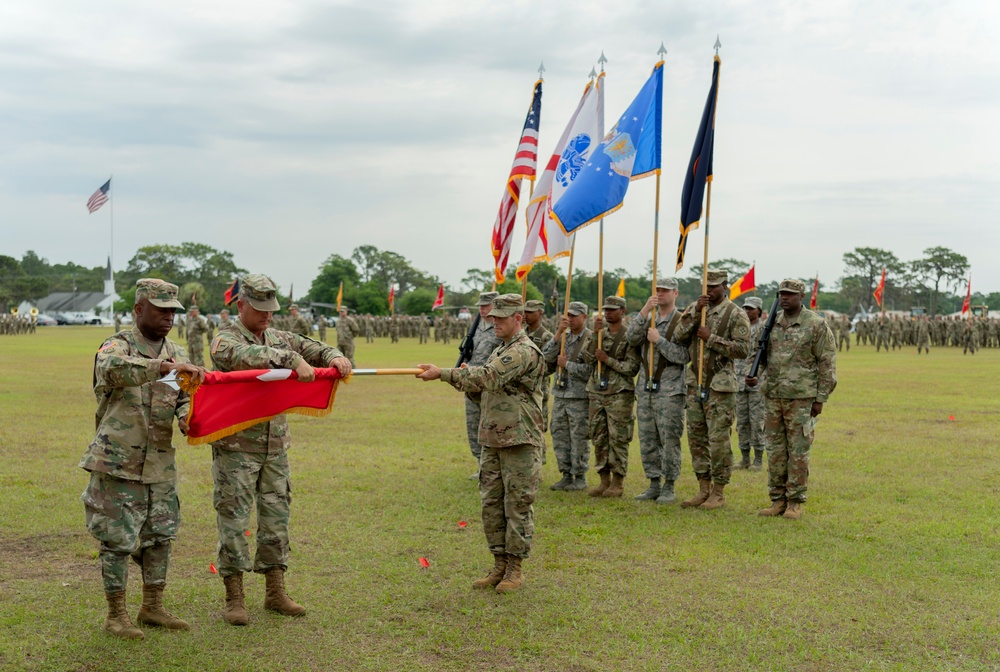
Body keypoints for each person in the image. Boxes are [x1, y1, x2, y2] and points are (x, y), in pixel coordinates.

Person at [209, 274, 352, 625]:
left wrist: (334, 355)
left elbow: (312, 347)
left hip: (275, 447)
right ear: (240, 304)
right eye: (259, 309)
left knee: (276, 519)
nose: (267, 315)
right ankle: (235, 596)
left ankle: (275, 591)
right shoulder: (224, 339)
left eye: (270, 309)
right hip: (236, 446)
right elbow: (244, 357)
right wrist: (288, 359)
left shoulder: (279, 336)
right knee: (235, 520)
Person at [80, 278, 205, 639]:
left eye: (172, 311)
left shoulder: (177, 352)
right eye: (160, 309)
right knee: (117, 539)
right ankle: (116, 615)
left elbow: (184, 394)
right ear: (139, 309)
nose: (168, 317)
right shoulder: (116, 345)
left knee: (160, 536)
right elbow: (113, 369)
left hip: (160, 464)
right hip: (118, 460)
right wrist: (160, 368)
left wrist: (185, 415)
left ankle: (152, 607)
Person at [416, 294, 546, 593]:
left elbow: (487, 377)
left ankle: (515, 568)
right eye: (493, 317)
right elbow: (483, 389)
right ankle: (499, 563)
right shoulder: (501, 349)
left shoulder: (523, 351)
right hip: (494, 438)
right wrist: (462, 378)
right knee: (491, 505)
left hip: (519, 440)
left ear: (518, 318)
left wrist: (445, 374)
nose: (494, 322)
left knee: (517, 505)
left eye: (501, 317)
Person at [751, 279, 837, 520]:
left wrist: (820, 398)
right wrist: (754, 375)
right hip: (773, 397)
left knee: (798, 450)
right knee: (775, 450)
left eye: (789, 294)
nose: (784, 297)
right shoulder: (770, 324)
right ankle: (777, 500)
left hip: (801, 398)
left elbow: (827, 363)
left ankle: (795, 502)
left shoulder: (816, 325)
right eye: (781, 294)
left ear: (801, 296)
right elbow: (758, 356)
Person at [672, 270, 752, 510]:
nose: (708, 290)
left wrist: (712, 338)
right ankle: (703, 488)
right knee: (697, 439)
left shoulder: (736, 314)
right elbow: (678, 335)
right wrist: (696, 313)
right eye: (705, 286)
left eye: (714, 286)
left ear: (725, 287)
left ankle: (718, 491)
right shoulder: (695, 310)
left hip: (720, 387)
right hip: (695, 385)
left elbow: (742, 350)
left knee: (718, 441)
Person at [627, 278, 689, 503]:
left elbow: (683, 356)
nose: (660, 294)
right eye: (658, 290)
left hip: (670, 390)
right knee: (648, 438)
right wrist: (644, 310)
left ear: (675, 293)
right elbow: (631, 338)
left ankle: (669, 485)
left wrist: (659, 341)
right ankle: (653, 482)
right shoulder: (648, 317)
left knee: (669, 439)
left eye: (665, 291)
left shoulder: (681, 321)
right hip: (646, 389)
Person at [583, 296, 640, 497]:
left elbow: (631, 368)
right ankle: (603, 479)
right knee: (599, 437)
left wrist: (607, 360)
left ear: (623, 312)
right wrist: (593, 335)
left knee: (618, 438)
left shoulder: (629, 337)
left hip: (619, 394)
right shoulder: (600, 334)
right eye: (606, 309)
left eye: (612, 309)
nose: (607, 313)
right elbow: (588, 358)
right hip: (597, 392)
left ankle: (617, 482)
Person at [542, 302, 593, 491]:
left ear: (584, 317)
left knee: (578, 437)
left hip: (579, 397)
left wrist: (568, 364)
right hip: (561, 395)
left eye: (574, 316)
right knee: (560, 435)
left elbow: (591, 370)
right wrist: (557, 334)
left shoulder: (590, 339)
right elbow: (545, 357)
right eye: (568, 316)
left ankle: (579, 476)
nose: (570, 319)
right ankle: (565, 474)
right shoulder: (563, 337)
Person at [463, 292, 503, 479]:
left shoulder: (500, 326)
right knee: (473, 425)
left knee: (490, 426)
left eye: (486, 305)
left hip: (490, 384)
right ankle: (480, 464)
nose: (482, 308)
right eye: (480, 305)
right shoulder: (476, 325)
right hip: (471, 383)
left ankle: (492, 467)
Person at [733, 296, 766, 471]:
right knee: (742, 422)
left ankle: (758, 458)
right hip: (738, 381)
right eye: (745, 308)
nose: (747, 311)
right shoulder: (739, 328)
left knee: (757, 421)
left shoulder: (764, 329)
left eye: (751, 308)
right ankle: (744, 457)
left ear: (759, 311)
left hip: (757, 383)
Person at [523, 300, 554, 434]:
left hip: (537, 389)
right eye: (525, 311)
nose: (526, 315)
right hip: (520, 389)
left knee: (537, 429)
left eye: (530, 312)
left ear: (540, 313)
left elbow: (549, 366)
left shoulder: (546, 337)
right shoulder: (520, 333)